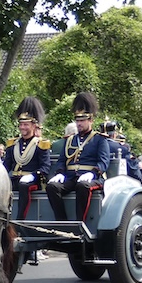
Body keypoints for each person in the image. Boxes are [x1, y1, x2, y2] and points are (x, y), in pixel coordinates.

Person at [46, 92, 111, 222]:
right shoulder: (70, 140)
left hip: (92, 177)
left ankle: (80, 222)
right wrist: (59, 173)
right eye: (77, 120)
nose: (79, 124)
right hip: (71, 177)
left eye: (82, 121)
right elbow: (62, 161)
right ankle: (62, 222)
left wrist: (93, 173)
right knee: (51, 187)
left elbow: (104, 161)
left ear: (91, 120)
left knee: (83, 186)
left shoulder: (99, 139)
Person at [3, 97, 52, 220]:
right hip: (14, 178)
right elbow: (6, 165)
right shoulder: (13, 144)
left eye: (26, 124)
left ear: (34, 125)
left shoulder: (41, 144)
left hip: (32, 180)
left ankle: (19, 221)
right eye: (21, 124)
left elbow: (45, 167)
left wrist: (32, 176)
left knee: (24, 186)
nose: (22, 127)